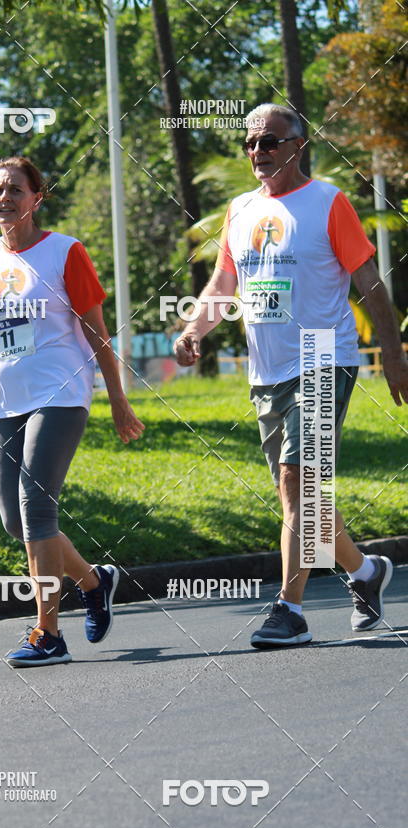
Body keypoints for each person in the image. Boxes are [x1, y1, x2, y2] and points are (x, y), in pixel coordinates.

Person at [174, 103, 408, 649]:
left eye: (270, 141)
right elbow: (223, 284)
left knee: (299, 484)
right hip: (266, 368)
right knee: (301, 499)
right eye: (251, 143)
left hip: (322, 354)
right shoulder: (239, 209)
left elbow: (371, 284)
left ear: (298, 145)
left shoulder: (328, 202)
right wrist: (194, 331)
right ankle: (365, 572)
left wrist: (394, 356)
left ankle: (291, 611)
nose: (258, 151)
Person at [0, 156, 144, 666]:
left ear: (37, 198)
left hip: (61, 393)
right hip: (4, 400)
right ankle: (94, 580)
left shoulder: (66, 252)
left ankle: (48, 633)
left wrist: (117, 396)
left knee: (36, 508)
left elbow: (96, 331)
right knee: (13, 521)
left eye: (16, 190)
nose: (5, 198)